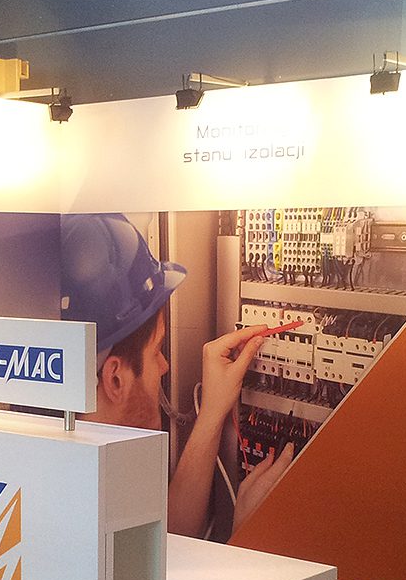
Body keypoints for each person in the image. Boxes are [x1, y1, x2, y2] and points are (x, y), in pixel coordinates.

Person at [63, 214, 292, 538]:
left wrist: (212, 413)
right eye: (157, 349)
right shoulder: (78, 510)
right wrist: (247, 538)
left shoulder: (67, 463)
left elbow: (168, 538)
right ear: (115, 378)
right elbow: (152, 571)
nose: (164, 366)